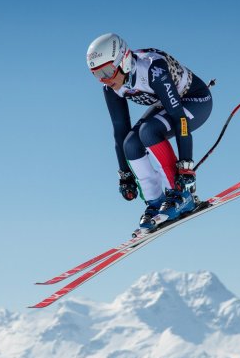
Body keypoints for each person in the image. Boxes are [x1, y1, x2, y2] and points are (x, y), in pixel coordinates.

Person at [86, 33, 213, 231]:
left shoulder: (153, 69)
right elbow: (120, 130)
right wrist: (125, 174)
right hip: (167, 105)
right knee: (131, 144)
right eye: (97, 74)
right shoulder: (111, 87)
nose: (105, 79)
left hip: (195, 101)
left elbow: (179, 117)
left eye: (108, 71)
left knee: (148, 131)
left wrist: (186, 168)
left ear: (123, 60)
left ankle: (180, 195)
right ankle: (155, 202)